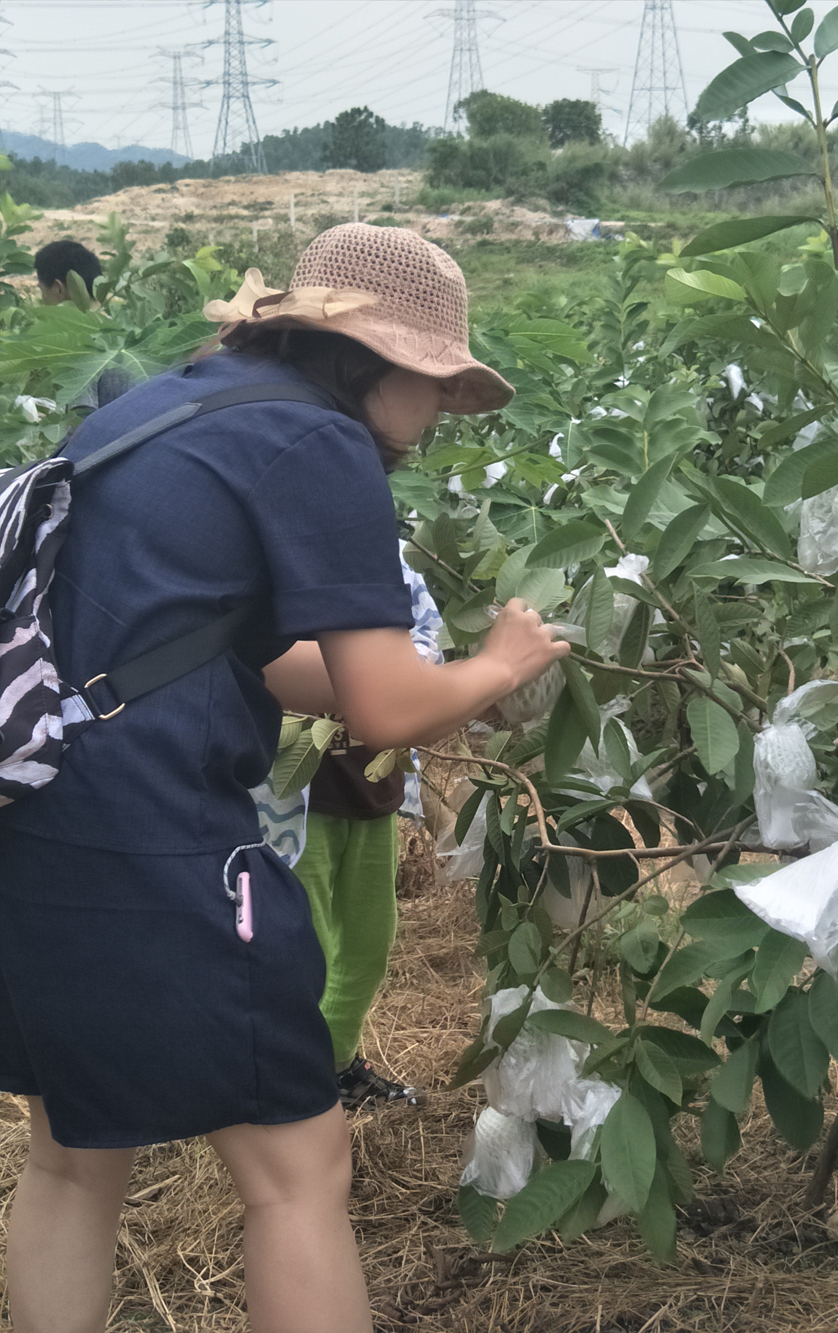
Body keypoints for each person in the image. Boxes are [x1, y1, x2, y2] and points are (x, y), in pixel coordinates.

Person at [0, 223, 570, 1333]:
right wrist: (498, 660)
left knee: (73, 1153)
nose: (438, 418)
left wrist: (464, 684)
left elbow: (247, 654)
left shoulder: (174, 408)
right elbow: (381, 707)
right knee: (300, 1166)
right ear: (377, 361)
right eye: (436, 386)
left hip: (38, 804)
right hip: (152, 835)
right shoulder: (319, 445)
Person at [277, 546, 443, 1111]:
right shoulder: (275, 562)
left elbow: (427, 641)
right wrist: (356, 682)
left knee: (369, 940)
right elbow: (264, 661)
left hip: (375, 785)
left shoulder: (389, 564)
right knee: (309, 944)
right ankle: (298, 1078)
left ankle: (337, 1062)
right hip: (295, 798)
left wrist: (388, 683)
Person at [33, 239, 132, 410]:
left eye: (42, 291)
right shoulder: (122, 331)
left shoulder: (80, 344)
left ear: (59, 289)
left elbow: (80, 419)